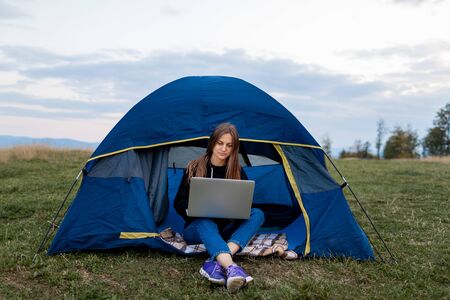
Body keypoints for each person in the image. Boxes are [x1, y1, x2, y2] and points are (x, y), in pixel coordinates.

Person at [174, 122, 265, 293]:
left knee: (258, 213)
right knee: (204, 220)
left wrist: (236, 210)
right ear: (212, 142)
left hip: (226, 228)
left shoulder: (237, 170)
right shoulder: (194, 166)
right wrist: (195, 209)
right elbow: (178, 202)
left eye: (229, 145)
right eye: (220, 143)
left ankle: (216, 262)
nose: (223, 148)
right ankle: (231, 267)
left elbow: (245, 205)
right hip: (198, 229)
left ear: (234, 148)